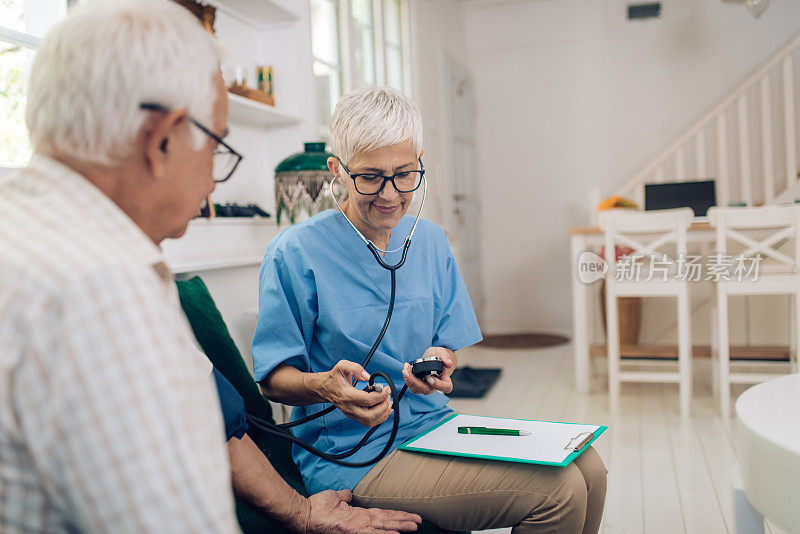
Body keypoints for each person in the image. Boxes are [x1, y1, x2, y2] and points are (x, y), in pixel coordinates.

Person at [0, 2, 420, 532]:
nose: (215, 183)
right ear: (164, 140)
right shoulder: (102, 293)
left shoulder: (25, 233)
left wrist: (298, 513)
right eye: (218, 145)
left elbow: (207, 405)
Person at [253, 86, 608, 533]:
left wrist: (441, 363)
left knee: (589, 467)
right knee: (559, 493)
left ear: (420, 159)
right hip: (353, 452)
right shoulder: (294, 252)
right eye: (370, 177)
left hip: (433, 425)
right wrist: (328, 388)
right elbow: (272, 380)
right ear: (338, 171)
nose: (390, 194)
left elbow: (446, 345)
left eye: (405, 173)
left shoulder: (432, 241)